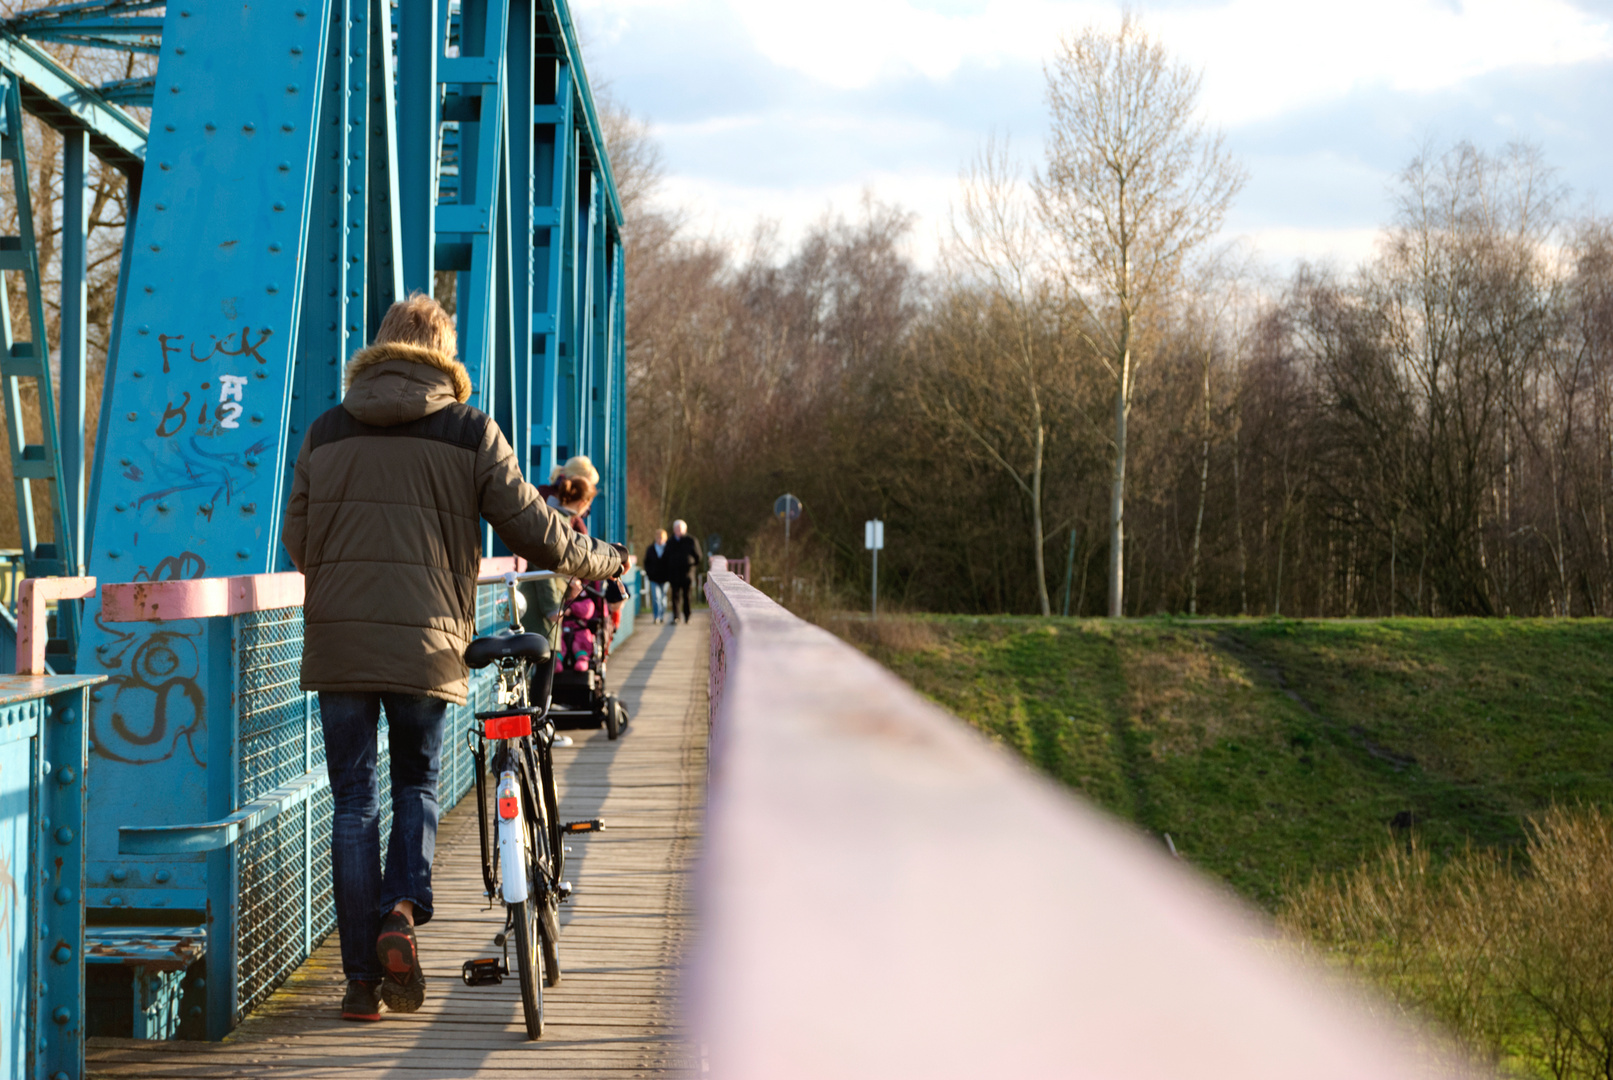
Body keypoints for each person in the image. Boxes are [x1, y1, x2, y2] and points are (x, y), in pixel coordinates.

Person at [280, 294, 625, 1023]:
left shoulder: (324, 430)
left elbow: (298, 541)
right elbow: (540, 535)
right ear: (445, 351)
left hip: (338, 641)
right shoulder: (470, 431)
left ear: (380, 347)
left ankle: (360, 985)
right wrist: (603, 560)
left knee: (351, 805)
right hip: (429, 642)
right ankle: (401, 909)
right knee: (416, 785)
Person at [663, 519, 703, 626]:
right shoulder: (670, 542)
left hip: (687, 574)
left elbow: (698, 556)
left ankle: (687, 616)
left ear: (685, 529)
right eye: (676, 529)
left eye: (680, 529)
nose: (678, 531)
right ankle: (676, 616)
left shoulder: (691, 540)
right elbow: (665, 557)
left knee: (687, 596)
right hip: (674, 574)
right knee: (675, 596)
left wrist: (691, 565)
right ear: (674, 530)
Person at [642, 528, 669, 624]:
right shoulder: (651, 549)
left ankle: (662, 615)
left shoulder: (668, 549)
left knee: (663, 599)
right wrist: (649, 573)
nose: (659, 539)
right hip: (654, 578)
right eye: (658, 537)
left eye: (661, 538)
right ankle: (656, 616)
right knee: (656, 597)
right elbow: (646, 562)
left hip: (665, 578)